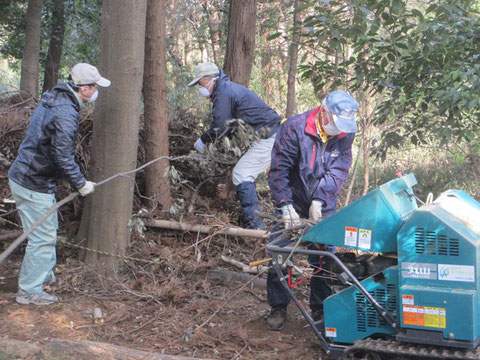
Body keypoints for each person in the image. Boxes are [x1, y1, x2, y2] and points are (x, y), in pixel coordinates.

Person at [8, 63, 111, 305]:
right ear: (83, 89)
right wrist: (81, 184)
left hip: (32, 178)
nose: (96, 92)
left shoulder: (56, 97)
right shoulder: (65, 112)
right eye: (94, 87)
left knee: (46, 231)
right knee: (42, 238)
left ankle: (42, 276)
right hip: (33, 182)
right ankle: (29, 291)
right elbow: (62, 155)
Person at [266, 90, 359, 330]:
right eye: (337, 124)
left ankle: (320, 306)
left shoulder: (345, 133)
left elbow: (339, 169)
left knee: (325, 256)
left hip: (322, 202)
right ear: (324, 112)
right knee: (279, 251)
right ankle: (278, 306)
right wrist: (285, 204)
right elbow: (279, 170)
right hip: (292, 199)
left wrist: (319, 199)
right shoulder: (295, 128)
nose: (340, 131)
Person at [188, 62, 282, 229]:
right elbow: (230, 126)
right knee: (245, 171)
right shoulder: (226, 89)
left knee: (242, 172)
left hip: (270, 136)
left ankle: (255, 224)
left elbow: (221, 126)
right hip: (270, 134)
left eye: (200, 83)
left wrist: (203, 140)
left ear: (210, 79)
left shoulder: (223, 92)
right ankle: (250, 217)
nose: (200, 88)